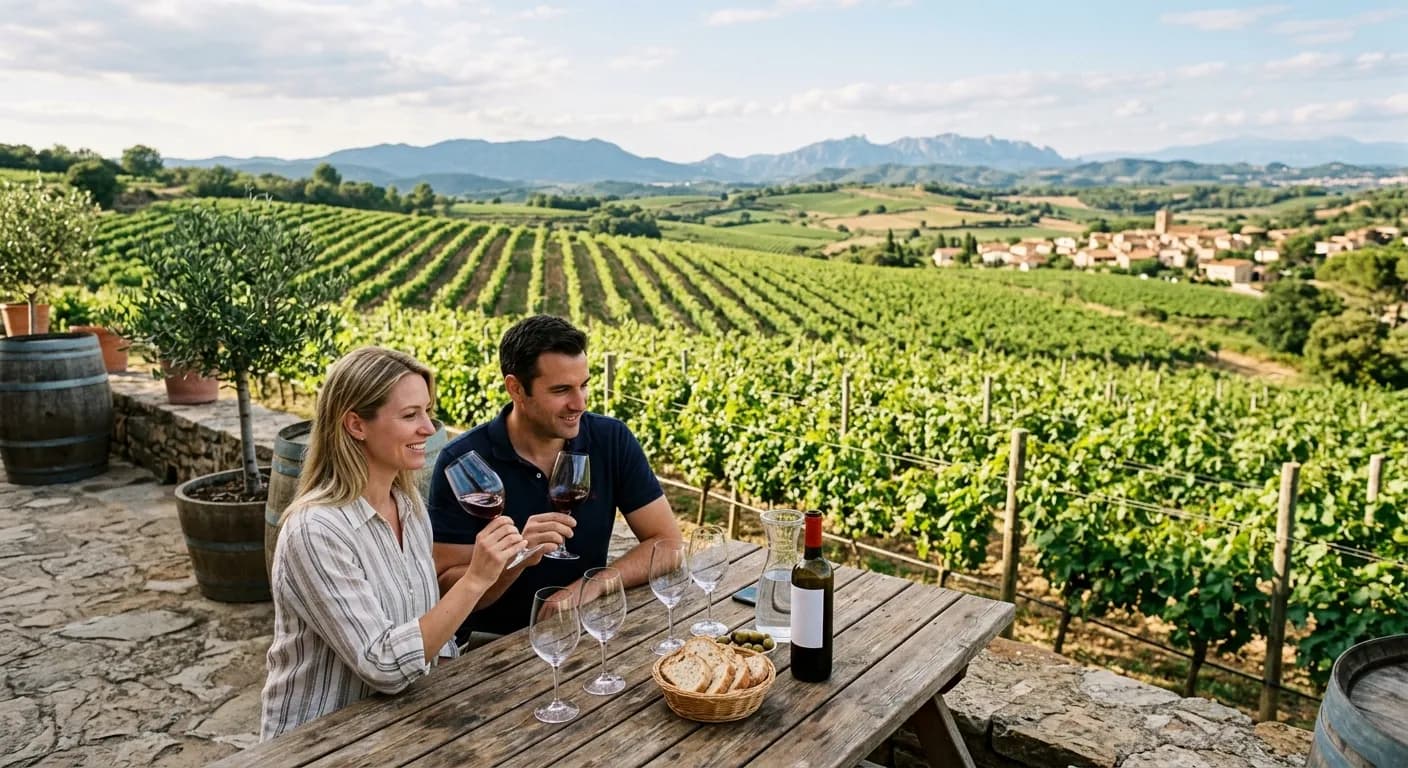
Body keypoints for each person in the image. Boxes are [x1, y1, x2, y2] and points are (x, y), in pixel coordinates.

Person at [260, 347, 524, 740]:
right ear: (356, 425)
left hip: (398, 724)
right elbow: (383, 665)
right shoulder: (316, 531)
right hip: (318, 741)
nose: (429, 428)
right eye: (410, 415)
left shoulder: (408, 506)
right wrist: (474, 578)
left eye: (426, 410)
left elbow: (429, 624)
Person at [428, 315, 683, 643]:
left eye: (584, 385)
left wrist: (588, 587)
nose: (579, 403)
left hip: (580, 630)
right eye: (562, 390)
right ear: (516, 389)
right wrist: (519, 557)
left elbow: (668, 544)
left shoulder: (610, 440)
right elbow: (446, 588)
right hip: (491, 644)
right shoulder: (464, 462)